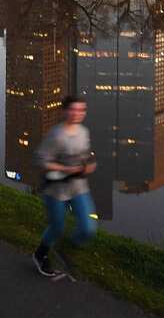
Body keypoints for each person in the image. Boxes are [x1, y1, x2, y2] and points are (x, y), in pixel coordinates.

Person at [32, 96, 97, 277]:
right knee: (57, 227)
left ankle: (65, 249)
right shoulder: (56, 135)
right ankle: (41, 254)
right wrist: (67, 169)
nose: (77, 114)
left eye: (81, 110)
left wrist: (88, 164)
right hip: (56, 190)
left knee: (88, 228)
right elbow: (41, 160)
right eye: (73, 110)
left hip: (79, 188)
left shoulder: (84, 132)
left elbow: (85, 155)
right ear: (65, 111)